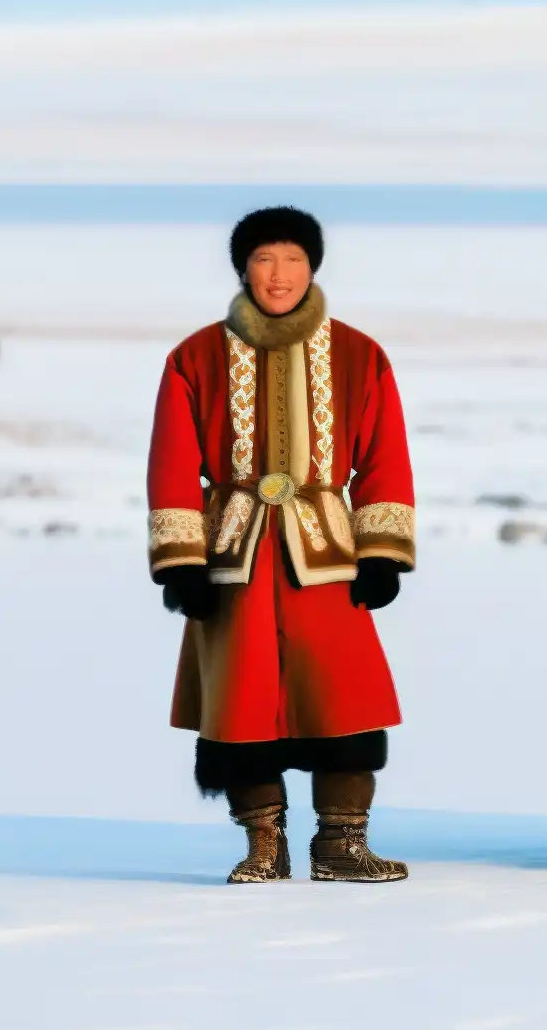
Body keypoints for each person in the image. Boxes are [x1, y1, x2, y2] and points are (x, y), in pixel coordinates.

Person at [146, 207, 415, 883]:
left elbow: (385, 457)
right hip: (232, 559)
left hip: (327, 559)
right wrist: (182, 560)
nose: (279, 274)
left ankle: (341, 845)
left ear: (313, 267)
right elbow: (172, 463)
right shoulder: (195, 356)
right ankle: (263, 844)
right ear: (243, 267)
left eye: (293, 259)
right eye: (265, 259)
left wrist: (381, 550)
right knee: (241, 705)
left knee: (344, 698)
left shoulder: (359, 353)